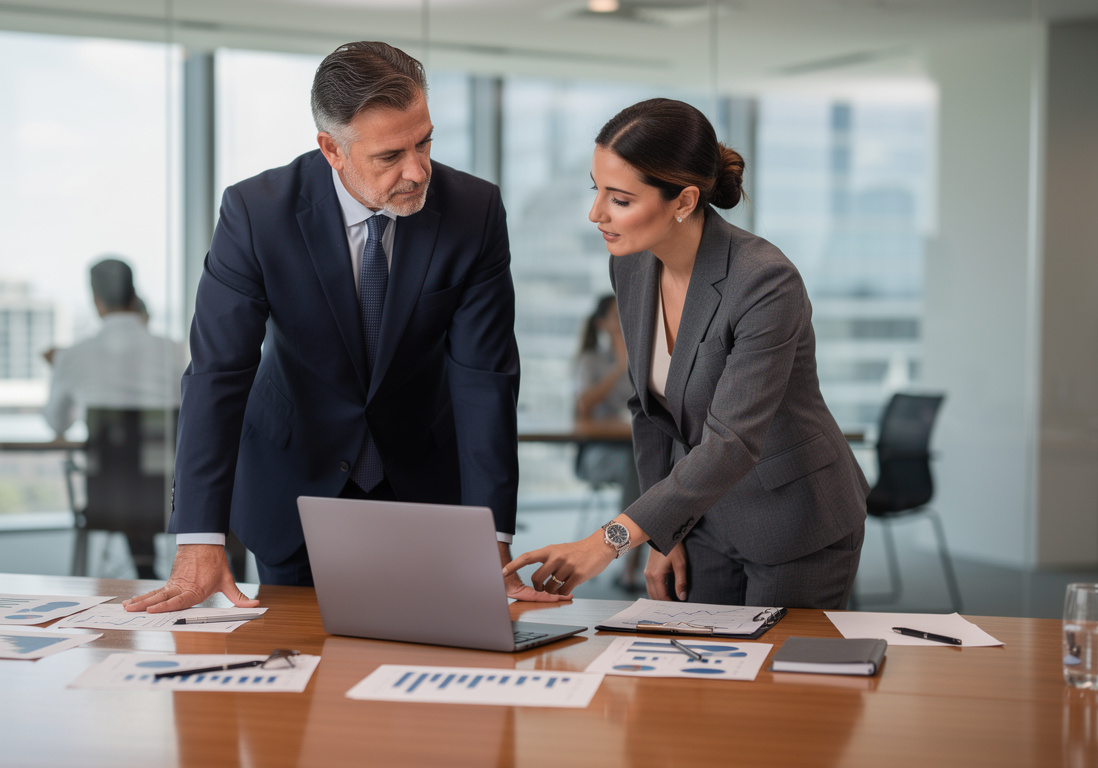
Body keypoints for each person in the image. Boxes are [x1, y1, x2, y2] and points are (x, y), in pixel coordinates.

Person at [125, 41, 559, 614]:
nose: (417, 170)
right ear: (332, 149)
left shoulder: (472, 210)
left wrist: (492, 541)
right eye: (389, 156)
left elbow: (485, 379)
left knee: (426, 681)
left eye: (424, 141)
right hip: (293, 486)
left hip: (426, 487)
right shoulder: (257, 213)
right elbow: (218, 373)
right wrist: (200, 536)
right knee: (293, 678)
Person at [505, 98, 868, 609]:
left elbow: (732, 442)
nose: (596, 214)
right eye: (597, 190)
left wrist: (608, 541)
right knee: (697, 679)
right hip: (704, 515)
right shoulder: (631, 268)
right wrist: (662, 532)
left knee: (777, 685)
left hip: (792, 518)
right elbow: (648, 410)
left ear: (684, 200)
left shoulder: (764, 281)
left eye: (620, 199)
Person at [42, 257, 186, 437]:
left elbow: (57, 423)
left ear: (96, 300)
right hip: (167, 464)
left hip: (105, 464)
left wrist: (58, 367)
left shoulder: (70, 357)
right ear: (134, 297)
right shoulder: (177, 351)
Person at [573, 295, 643, 592]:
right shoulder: (590, 359)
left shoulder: (641, 359)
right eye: (616, 316)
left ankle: (636, 563)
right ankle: (626, 563)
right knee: (637, 468)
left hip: (632, 447)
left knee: (649, 464)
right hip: (597, 454)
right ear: (601, 323)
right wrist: (618, 366)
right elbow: (583, 407)